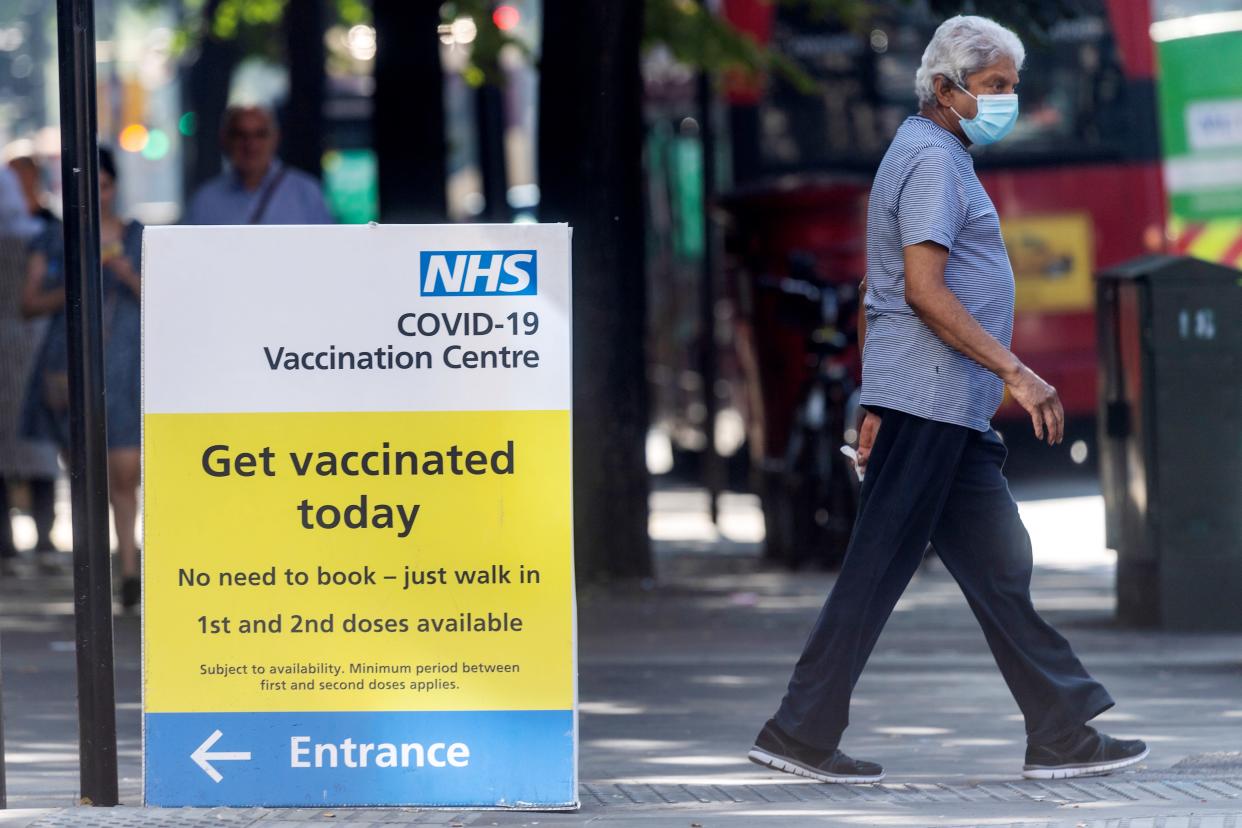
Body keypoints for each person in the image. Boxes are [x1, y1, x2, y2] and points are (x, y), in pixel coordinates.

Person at [749, 15, 1148, 783]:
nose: (1008, 101)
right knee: (877, 567)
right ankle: (798, 731)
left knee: (1000, 561)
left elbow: (878, 289)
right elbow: (924, 293)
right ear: (944, 89)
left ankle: (1060, 730)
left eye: (1012, 86)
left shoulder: (931, 151)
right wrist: (1016, 371)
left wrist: (873, 396)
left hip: (939, 406)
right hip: (933, 402)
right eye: (994, 87)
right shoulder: (932, 161)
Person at [21, 148, 143, 608]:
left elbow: (163, 299)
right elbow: (29, 302)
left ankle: (128, 567)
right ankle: (94, 575)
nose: (98, 197)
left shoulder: (137, 238)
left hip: (126, 364)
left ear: (115, 187)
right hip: (69, 368)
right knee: (85, 478)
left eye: (105, 186)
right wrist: (77, 282)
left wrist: (126, 274)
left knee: (124, 475)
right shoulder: (55, 239)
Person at [0, 157, 57, 575]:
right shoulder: (40, 235)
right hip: (35, 343)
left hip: (16, 346)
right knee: (38, 444)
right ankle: (43, 538)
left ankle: (6, 544)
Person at [183, 105, 334, 225]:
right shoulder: (205, 200)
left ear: (276, 138)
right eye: (240, 135)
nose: (251, 145)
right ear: (225, 140)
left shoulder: (306, 193)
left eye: (260, 134)